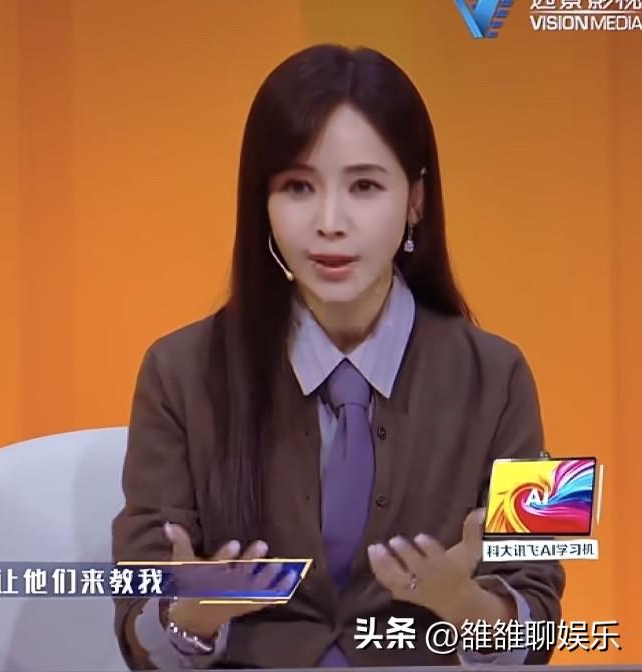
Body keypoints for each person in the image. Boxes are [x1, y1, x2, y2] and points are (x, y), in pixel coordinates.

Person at [111, 44, 565, 669]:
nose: (329, 221)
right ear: (262, 203)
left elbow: (540, 617)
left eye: (364, 186)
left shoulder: (502, 375)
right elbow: (139, 622)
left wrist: (464, 604)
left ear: (415, 198)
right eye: (298, 187)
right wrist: (191, 615)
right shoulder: (177, 372)